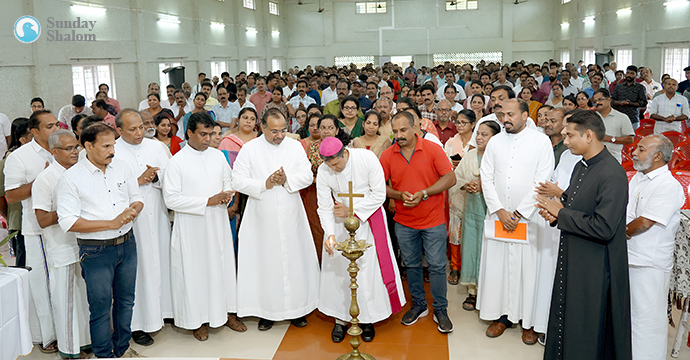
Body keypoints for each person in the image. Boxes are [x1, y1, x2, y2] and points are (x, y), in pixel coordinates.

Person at [535, 110, 632, 360]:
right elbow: (575, 204)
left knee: (587, 329)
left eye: (569, 135)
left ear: (588, 135)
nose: (564, 141)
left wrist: (562, 214)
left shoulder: (612, 174)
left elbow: (605, 227)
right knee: (567, 319)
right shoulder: (581, 166)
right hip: (575, 257)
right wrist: (557, 214)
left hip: (596, 266)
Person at [57, 123, 143, 358]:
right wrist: (111, 223)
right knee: (101, 309)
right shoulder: (71, 178)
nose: (112, 151)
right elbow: (68, 222)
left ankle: (123, 349)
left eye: (113, 144)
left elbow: (137, 198)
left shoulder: (122, 168)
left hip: (127, 244)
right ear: (87, 146)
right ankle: (104, 355)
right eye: (106, 146)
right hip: (96, 251)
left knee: (126, 302)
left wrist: (133, 210)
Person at [233, 108, 320, 331]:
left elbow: (308, 174)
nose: (280, 135)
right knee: (266, 262)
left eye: (283, 130)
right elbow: (237, 180)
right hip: (262, 216)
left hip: (292, 214)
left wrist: (286, 179)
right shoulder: (250, 149)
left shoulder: (294, 146)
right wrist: (265, 184)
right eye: (274, 131)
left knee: (294, 261)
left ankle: (297, 310)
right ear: (261, 127)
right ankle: (267, 312)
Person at [477, 99, 554, 344]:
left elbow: (542, 180)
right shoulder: (495, 142)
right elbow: (486, 178)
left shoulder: (540, 141)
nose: (505, 118)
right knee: (499, 268)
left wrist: (519, 214)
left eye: (511, 114)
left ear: (524, 115)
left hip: (529, 220)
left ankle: (529, 322)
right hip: (500, 217)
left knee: (529, 270)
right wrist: (499, 210)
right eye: (502, 114)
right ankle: (502, 316)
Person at [316, 137, 405, 343]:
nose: (335, 169)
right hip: (339, 224)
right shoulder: (324, 170)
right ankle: (341, 319)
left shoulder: (366, 158)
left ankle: (367, 319)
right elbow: (324, 206)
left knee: (367, 272)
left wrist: (353, 211)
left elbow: (379, 194)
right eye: (330, 166)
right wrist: (329, 233)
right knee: (339, 271)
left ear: (345, 153)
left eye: (337, 164)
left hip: (368, 220)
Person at [162, 111, 242, 341]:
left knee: (222, 266)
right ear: (189, 133)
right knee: (195, 272)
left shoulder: (217, 157)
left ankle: (226, 313)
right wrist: (207, 201)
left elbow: (229, 181)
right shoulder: (177, 162)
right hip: (192, 226)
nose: (208, 139)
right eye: (203, 134)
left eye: (211, 134)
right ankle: (198, 321)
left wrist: (227, 194)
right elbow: (171, 199)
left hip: (216, 222)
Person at [379, 111, 457, 333]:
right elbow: (377, 185)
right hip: (404, 221)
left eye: (403, 130)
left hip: (432, 220)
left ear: (415, 127)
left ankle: (441, 309)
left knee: (437, 266)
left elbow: (450, 178)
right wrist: (397, 195)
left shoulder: (432, 149)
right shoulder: (387, 155)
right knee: (411, 265)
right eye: (395, 131)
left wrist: (424, 193)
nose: (399, 135)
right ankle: (419, 305)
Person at [112, 110, 172, 346]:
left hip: (156, 213)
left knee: (162, 261)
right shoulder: (112, 151)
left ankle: (165, 311)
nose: (139, 133)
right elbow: (108, 187)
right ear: (119, 130)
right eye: (132, 129)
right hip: (131, 220)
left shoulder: (156, 147)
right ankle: (139, 324)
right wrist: (139, 180)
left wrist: (155, 178)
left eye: (141, 127)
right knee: (139, 269)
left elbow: (170, 176)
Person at [4, 110, 60, 353]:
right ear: (34, 132)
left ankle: (71, 331)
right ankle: (47, 336)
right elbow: (11, 195)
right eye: (49, 126)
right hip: (37, 229)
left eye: (57, 124)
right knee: (42, 283)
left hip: (67, 225)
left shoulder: (67, 149)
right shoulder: (20, 157)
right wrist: (42, 179)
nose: (56, 129)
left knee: (65, 282)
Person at [32, 130, 91, 358]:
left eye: (76, 147)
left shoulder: (82, 172)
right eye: (69, 149)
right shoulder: (45, 180)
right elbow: (43, 219)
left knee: (84, 299)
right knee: (65, 302)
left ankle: (85, 343)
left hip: (86, 244)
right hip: (62, 247)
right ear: (54, 152)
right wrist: (67, 211)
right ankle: (69, 350)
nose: (75, 152)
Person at [626, 135, 684, 360]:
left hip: (649, 263)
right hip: (630, 257)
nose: (634, 152)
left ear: (657, 157)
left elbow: (645, 222)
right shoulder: (638, 178)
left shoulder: (668, 185)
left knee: (647, 320)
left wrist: (617, 234)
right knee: (631, 317)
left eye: (641, 149)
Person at [457, 121, 501, 311]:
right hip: (472, 212)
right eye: (478, 134)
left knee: (491, 251)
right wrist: (466, 184)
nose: (480, 138)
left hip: (494, 213)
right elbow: (456, 177)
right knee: (472, 249)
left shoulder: (502, 158)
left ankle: (491, 293)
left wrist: (485, 186)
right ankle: (473, 293)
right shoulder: (469, 156)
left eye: (485, 134)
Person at [0, 118, 32, 268]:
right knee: (23, 259)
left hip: (31, 217)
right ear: (23, 139)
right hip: (18, 219)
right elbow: (1, 196)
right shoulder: (9, 160)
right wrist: (10, 217)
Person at [591, 89, 635, 163]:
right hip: (592, 158)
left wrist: (610, 139)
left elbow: (630, 139)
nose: (597, 103)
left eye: (600, 99)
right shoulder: (592, 118)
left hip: (613, 159)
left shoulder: (622, 117)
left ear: (609, 100)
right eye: (595, 101)